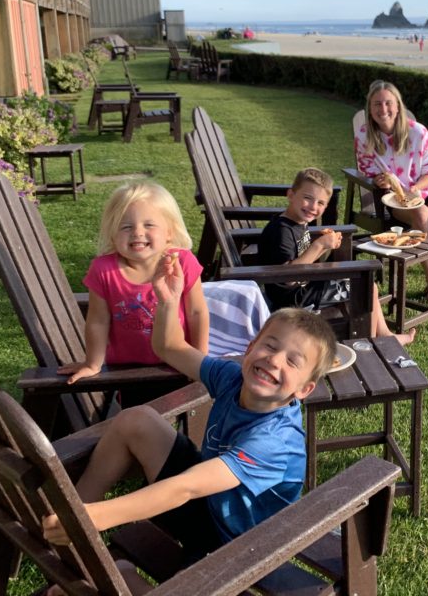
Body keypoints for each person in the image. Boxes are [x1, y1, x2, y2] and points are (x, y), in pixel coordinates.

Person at [41, 260, 335, 578]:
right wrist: (168, 302)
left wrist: (98, 518)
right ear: (249, 348)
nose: (274, 360)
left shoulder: (275, 442)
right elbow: (169, 347)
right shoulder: (232, 377)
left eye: (293, 361)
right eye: (269, 345)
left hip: (236, 548)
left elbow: (185, 488)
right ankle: (69, 521)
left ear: (305, 389)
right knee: (136, 420)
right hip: (209, 508)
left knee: (123, 579)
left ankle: (85, 529)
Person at [59, 180, 209, 384]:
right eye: (126, 227)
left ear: (169, 232)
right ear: (113, 235)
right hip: (127, 372)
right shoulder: (104, 271)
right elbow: (98, 321)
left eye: (149, 225)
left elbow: (196, 312)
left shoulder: (182, 262)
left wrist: (200, 361)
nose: (137, 232)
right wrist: (92, 364)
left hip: (180, 364)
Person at [258, 168, 415, 344]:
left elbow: (302, 258)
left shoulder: (298, 223)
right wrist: (319, 244)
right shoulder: (281, 231)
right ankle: (371, 345)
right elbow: (287, 277)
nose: (313, 207)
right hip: (294, 299)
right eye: (307, 198)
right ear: (291, 195)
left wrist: (325, 248)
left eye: (320, 203)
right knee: (365, 287)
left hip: (305, 289)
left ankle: (384, 335)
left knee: (367, 285)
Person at [354, 80, 428, 306]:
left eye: (388, 103)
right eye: (377, 104)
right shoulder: (365, 136)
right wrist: (380, 179)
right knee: (421, 214)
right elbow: (367, 169)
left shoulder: (417, 131)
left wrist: (415, 188)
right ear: (370, 108)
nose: (383, 109)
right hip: (398, 197)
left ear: (397, 106)